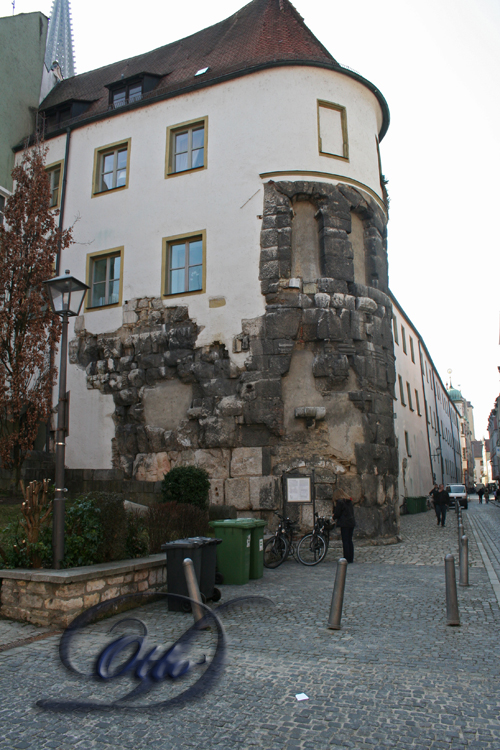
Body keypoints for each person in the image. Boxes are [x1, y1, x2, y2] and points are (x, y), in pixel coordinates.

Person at [333, 489, 356, 563]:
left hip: (345, 523)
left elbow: (337, 513)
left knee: (345, 541)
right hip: (351, 522)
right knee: (349, 541)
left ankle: (346, 557)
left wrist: (333, 517)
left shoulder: (340, 502)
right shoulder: (348, 501)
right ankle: (350, 557)